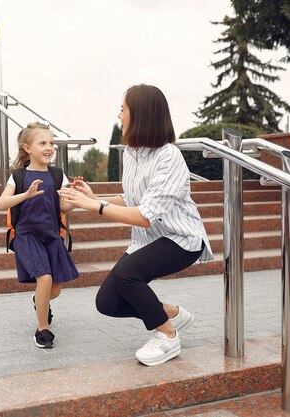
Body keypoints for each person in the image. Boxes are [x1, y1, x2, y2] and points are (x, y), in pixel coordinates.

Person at [58, 84, 213, 366]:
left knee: (126, 275)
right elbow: (132, 199)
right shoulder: (132, 153)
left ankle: (167, 335)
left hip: (180, 238)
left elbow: (145, 214)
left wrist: (95, 207)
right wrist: (95, 198)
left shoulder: (169, 157)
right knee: (107, 303)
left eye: (123, 109)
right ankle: (172, 314)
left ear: (140, 115)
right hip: (148, 239)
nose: (119, 115)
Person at [0, 122, 79, 349]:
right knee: (44, 278)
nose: (49, 147)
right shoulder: (19, 176)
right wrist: (26, 194)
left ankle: (38, 300)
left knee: (55, 288)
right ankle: (42, 329)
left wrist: (75, 198)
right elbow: (2, 202)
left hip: (51, 236)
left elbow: (63, 208)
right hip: (27, 236)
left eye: (51, 143)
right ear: (28, 148)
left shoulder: (57, 175)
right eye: (42, 143)